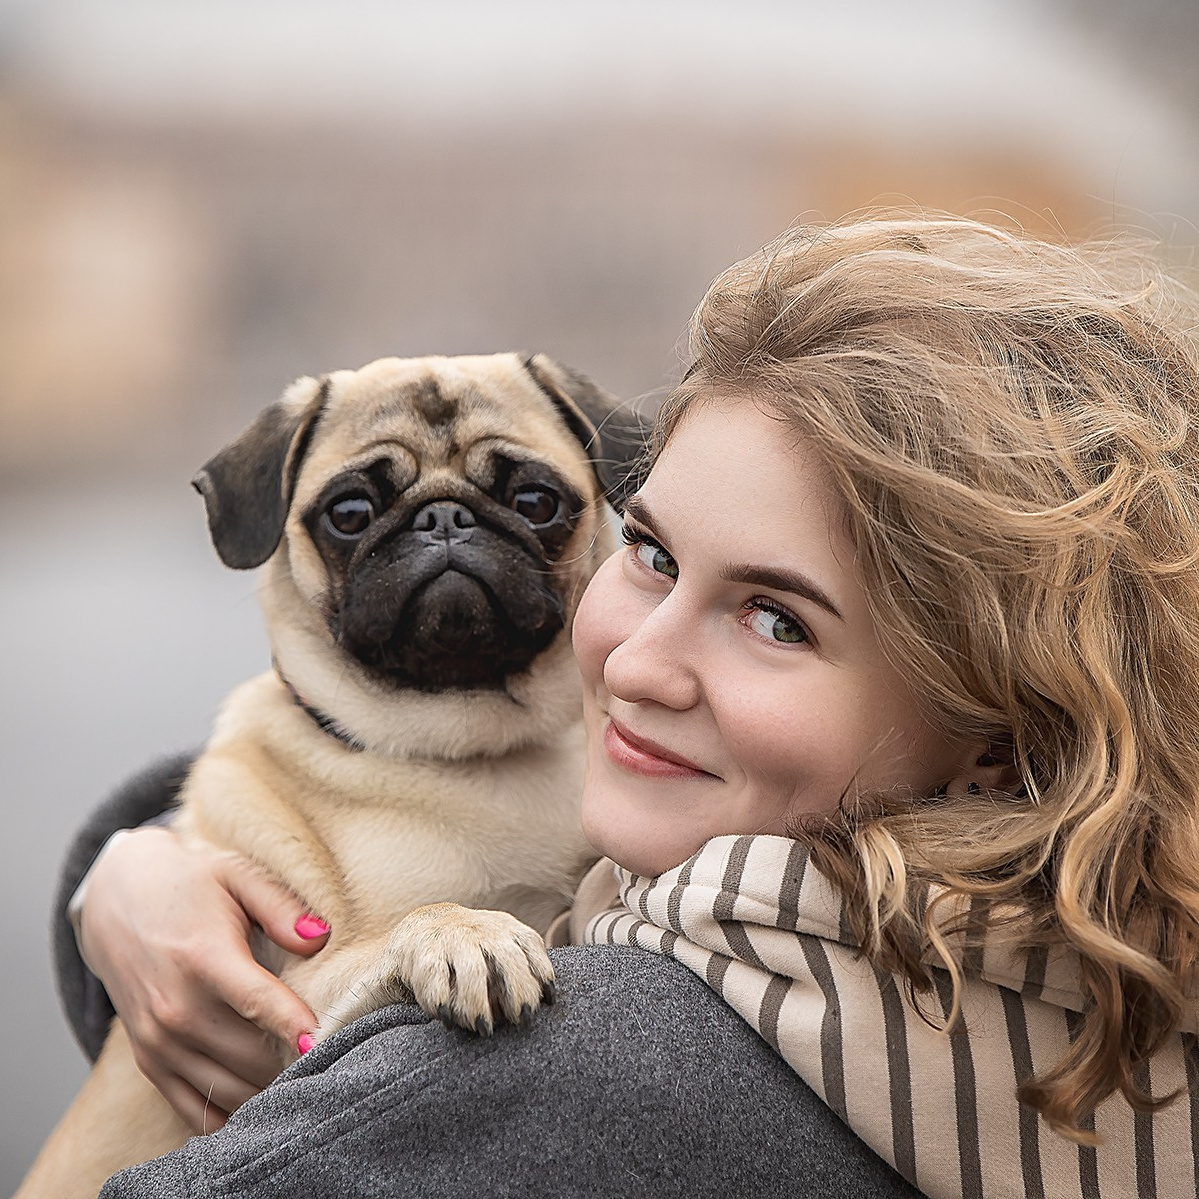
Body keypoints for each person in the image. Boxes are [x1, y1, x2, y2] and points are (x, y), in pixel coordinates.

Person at [54, 215, 1199, 1198]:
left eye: (776, 620)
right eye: (648, 552)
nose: (635, 659)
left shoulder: (565, 1064)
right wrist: (143, 859)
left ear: (1002, 740)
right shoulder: (1117, 980)